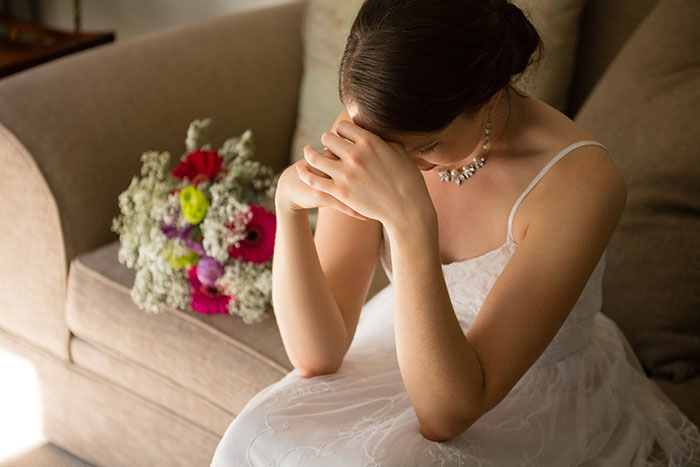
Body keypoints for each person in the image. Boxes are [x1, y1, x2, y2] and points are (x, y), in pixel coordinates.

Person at [211, 0, 700, 465]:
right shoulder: (376, 126)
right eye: (385, 144)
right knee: (264, 432)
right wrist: (289, 206)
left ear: (487, 101)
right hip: (406, 344)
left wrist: (412, 224)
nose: (401, 166)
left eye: (426, 146)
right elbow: (316, 357)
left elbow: (447, 416)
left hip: (520, 391)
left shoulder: (580, 183)